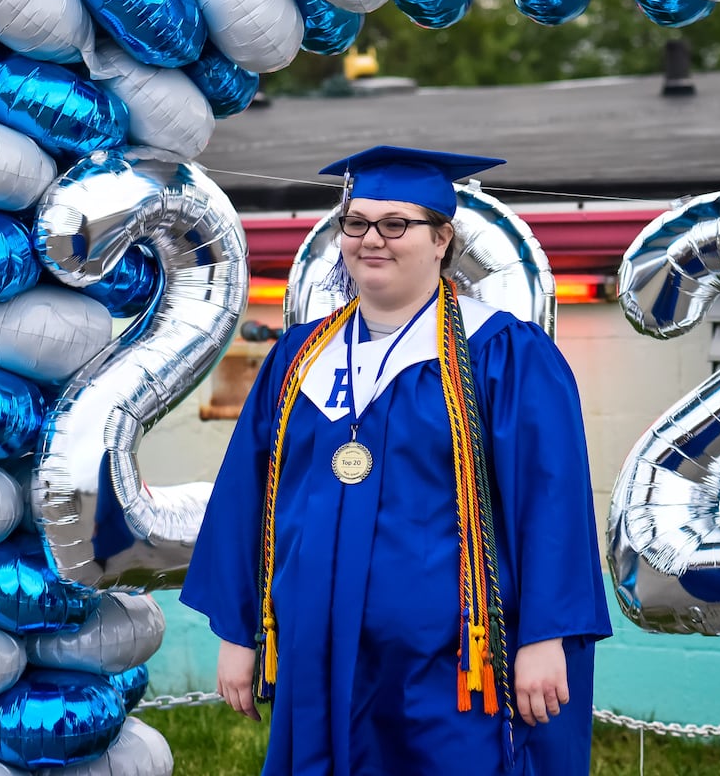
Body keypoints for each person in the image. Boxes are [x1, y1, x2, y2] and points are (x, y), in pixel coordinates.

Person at [180, 145, 612, 776]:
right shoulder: (298, 356)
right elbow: (249, 498)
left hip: (450, 660)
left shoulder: (501, 354)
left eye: (396, 224)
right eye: (355, 223)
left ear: (442, 239)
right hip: (318, 651)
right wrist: (239, 634)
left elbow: (552, 502)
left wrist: (546, 637)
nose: (370, 239)